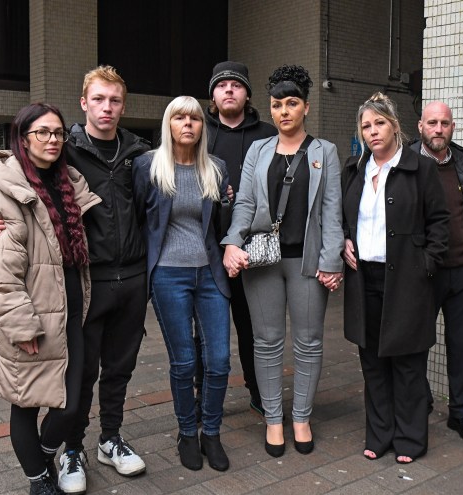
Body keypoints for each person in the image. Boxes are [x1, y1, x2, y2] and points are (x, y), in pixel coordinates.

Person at [0, 66, 150, 495]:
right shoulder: (66, 154)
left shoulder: (135, 156)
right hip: (61, 298)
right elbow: (6, 190)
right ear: (84, 102)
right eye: (99, 99)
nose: (51, 140)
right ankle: (62, 459)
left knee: (107, 375)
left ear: (123, 106)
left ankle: (104, 441)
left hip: (109, 285)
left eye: (115, 100)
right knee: (66, 386)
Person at [0, 103, 100, 495]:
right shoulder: (6, 191)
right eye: (43, 132)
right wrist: (23, 327)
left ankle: (41, 461)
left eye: (58, 133)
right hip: (31, 312)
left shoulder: (67, 181)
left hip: (68, 307)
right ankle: (39, 484)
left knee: (71, 399)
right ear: (22, 137)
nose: (53, 140)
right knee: (26, 400)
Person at [221, 65, 344, 457]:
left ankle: (302, 417)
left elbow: (331, 211)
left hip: (308, 262)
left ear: (306, 107)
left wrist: (331, 261)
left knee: (308, 343)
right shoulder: (258, 150)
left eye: (292, 103)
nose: (284, 111)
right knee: (267, 342)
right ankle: (274, 419)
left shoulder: (325, 151)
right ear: (271, 110)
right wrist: (231, 242)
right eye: (277, 105)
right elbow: (244, 203)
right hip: (263, 261)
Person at [341, 92, 449, 464]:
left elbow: (440, 224)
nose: (373, 132)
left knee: (407, 364)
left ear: (395, 126)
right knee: (372, 362)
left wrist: (425, 265)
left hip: (406, 280)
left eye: (380, 123)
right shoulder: (355, 171)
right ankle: (380, 433)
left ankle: (410, 439)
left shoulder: (421, 169)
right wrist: (344, 242)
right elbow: (344, 218)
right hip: (364, 278)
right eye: (366, 126)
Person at [133, 96, 231, 472]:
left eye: (194, 118)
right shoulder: (147, 166)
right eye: (179, 117)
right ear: (168, 124)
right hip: (168, 274)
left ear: (202, 126)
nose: (188, 124)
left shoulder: (216, 168)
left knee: (219, 361)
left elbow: (221, 225)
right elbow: (139, 221)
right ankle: (187, 433)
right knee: (184, 361)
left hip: (209, 274)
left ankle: (212, 433)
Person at [409, 101, 463, 445]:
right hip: (424, 274)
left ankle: (459, 413)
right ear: (420, 127)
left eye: (444, 123)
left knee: (460, 346)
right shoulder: (407, 160)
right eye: (432, 123)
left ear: (452, 127)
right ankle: (421, 402)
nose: (438, 129)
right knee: (417, 344)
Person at [203, 61, 278, 415]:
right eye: (222, 85)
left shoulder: (268, 134)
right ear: (213, 96)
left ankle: (258, 390)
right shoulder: (196, 131)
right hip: (205, 251)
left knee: (254, 328)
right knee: (205, 331)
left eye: (236, 84)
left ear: (247, 94)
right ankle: (204, 397)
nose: (229, 89)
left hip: (255, 250)